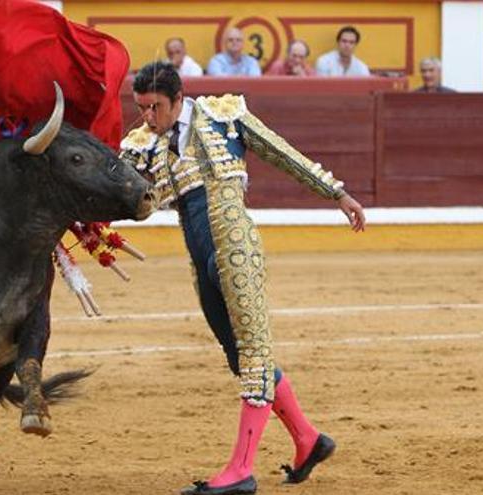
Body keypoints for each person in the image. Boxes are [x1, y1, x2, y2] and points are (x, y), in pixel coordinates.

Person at [120, 61, 365, 495]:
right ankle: (308, 440)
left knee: (253, 354)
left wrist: (336, 192)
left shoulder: (224, 114)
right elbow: (123, 197)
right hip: (200, 259)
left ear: (178, 100)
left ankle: (240, 470)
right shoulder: (144, 145)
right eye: (141, 108)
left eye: (154, 107)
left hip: (236, 251)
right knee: (240, 357)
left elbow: (280, 151)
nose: (147, 117)